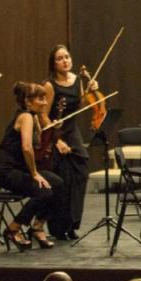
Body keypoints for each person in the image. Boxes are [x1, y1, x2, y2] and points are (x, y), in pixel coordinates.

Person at [0, 82, 64, 251]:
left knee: (58, 183)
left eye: (45, 98)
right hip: (5, 170)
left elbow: (40, 141)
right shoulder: (26, 117)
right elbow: (27, 147)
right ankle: (13, 228)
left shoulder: (33, 116)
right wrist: (35, 173)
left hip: (18, 167)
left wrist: (54, 128)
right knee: (44, 191)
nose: (45, 103)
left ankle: (37, 227)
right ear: (28, 101)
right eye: (41, 99)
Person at [42, 44, 93, 242]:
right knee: (62, 181)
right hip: (56, 134)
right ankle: (58, 227)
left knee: (80, 176)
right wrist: (57, 140)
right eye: (60, 58)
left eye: (67, 57)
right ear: (53, 64)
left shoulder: (76, 79)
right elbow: (43, 116)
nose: (65, 61)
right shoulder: (49, 85)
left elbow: (81, 106)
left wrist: (91, 91)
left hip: (73, 132)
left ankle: (73, 223)